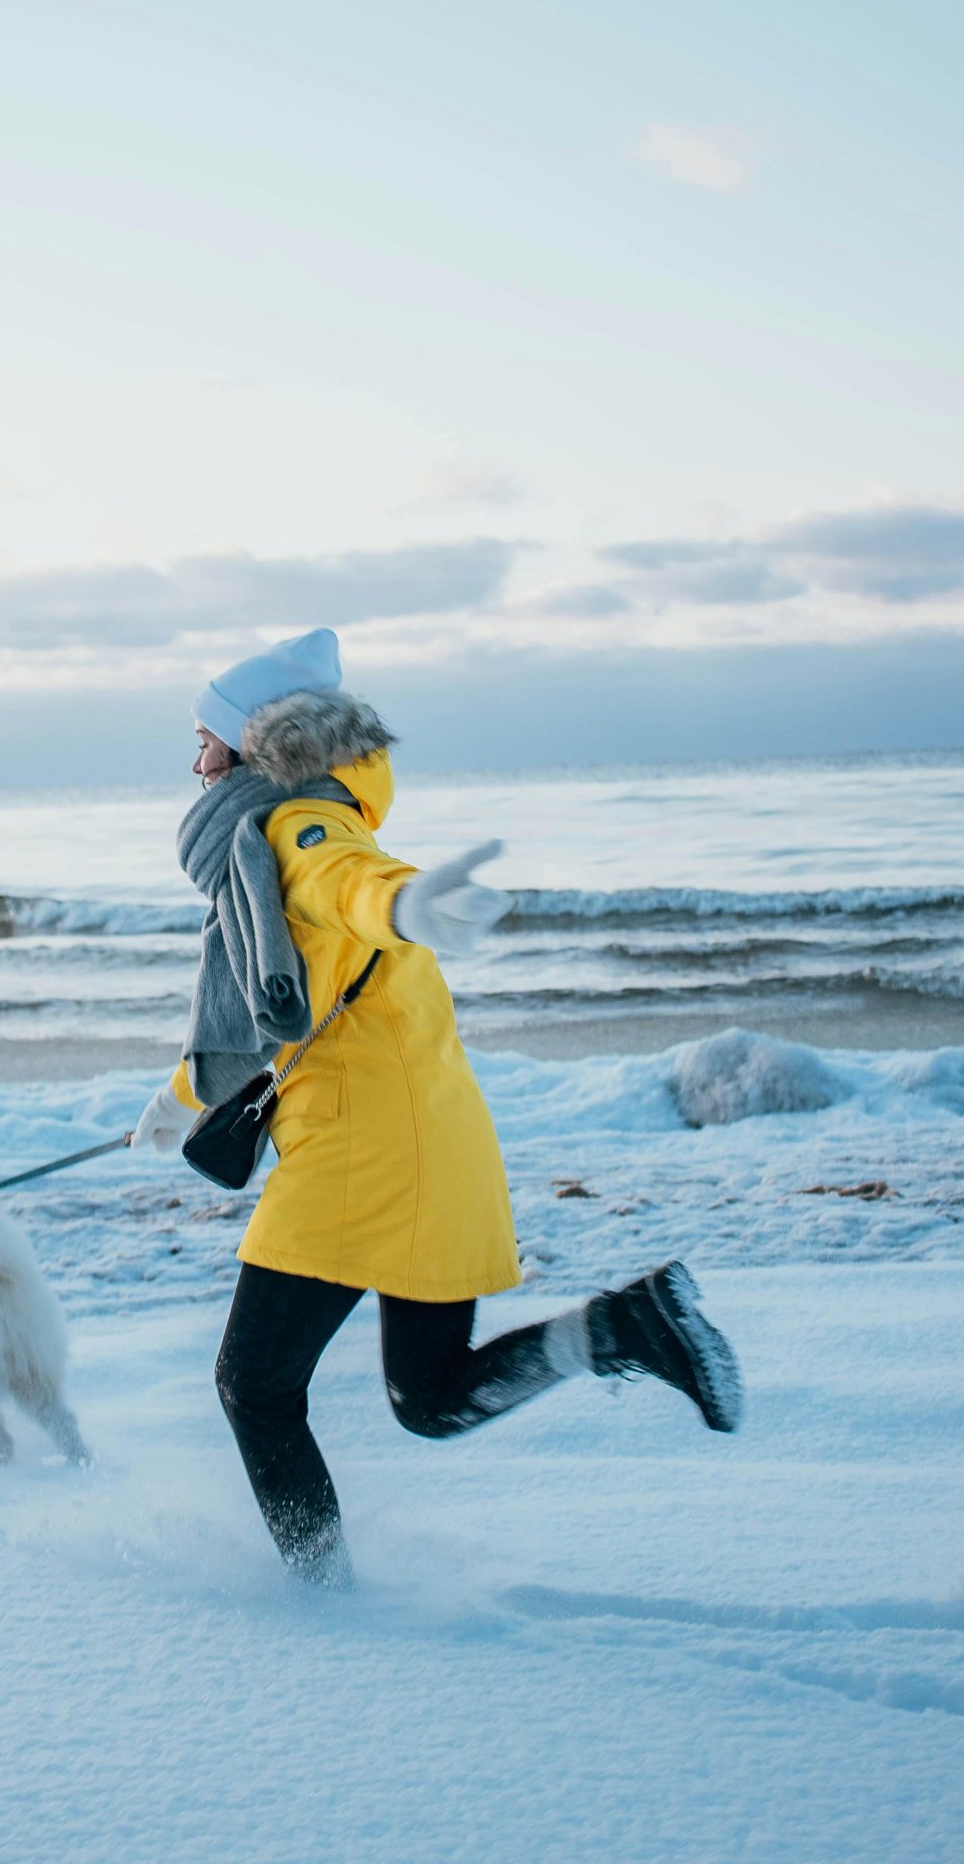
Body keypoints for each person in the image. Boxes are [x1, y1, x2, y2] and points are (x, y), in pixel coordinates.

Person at [132, 626, 742, 1587]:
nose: (193, 758)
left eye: (203, 736)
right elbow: (278, 1004)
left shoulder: (295, 826)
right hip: (430, 1140)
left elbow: (351, 888)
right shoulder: (293, 828)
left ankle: (321, 1594)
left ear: (251, 745)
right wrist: (180, 1100)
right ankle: (622, 1329)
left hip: (362, 1152)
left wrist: (409, 906)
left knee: (251, 1385)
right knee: (428, 1395)